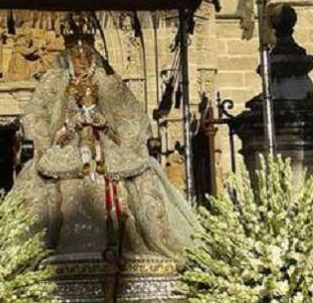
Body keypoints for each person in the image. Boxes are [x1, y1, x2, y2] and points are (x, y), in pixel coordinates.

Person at [14, 36, 196, 268]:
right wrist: (65, 129)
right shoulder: (56, 85)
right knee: (54, 190)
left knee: (133, 183)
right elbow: (40, 118)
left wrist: (105, 124)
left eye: (87, 57)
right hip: (68, 150)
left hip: (106, 149)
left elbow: (129, 117)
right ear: (69, 59)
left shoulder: (107, 84)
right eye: (77, 57)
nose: (82, 61)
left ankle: (125, 244)